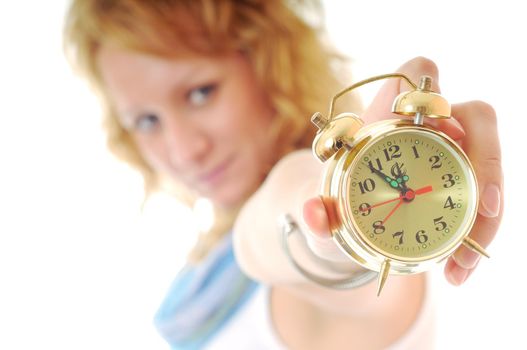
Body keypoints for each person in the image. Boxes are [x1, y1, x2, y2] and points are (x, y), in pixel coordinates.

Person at [63, 0, 503, 349]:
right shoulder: (209, 263)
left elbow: (277, 221)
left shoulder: (341, 263)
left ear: (267, 62)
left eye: (200, 92)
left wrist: (332, 226)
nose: (184, 150)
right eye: (146, 121)